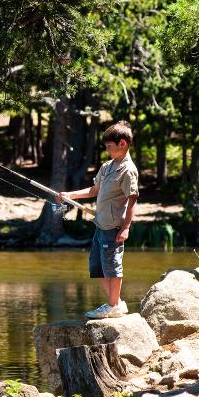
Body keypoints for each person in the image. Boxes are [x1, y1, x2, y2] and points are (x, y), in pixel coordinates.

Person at [58, 121, 139, 319]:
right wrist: (70, 195)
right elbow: (94, 191)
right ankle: (116, 303)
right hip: (100, 225)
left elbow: (133, 201)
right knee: (97, 267)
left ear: (122, 143)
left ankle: (112, 305)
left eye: (109, 146)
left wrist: (126, 227)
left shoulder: (128, 170)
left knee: (112, 266)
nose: (107, 150)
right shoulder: (107, 166)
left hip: (114, 227)